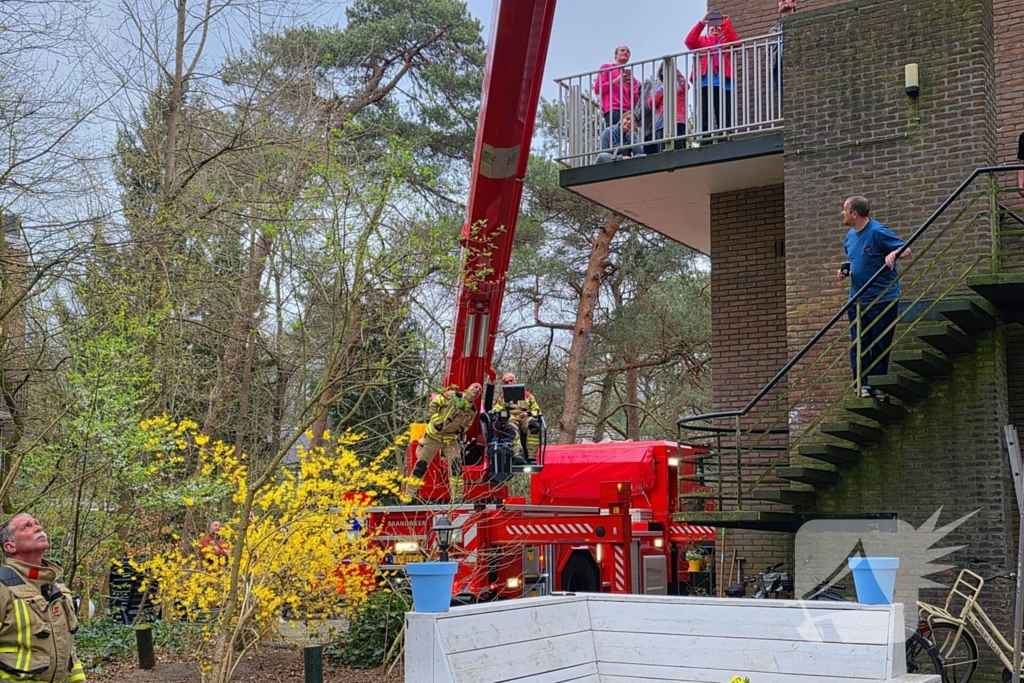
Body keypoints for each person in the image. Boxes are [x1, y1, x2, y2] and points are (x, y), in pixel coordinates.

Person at [838, 196, 911, 402]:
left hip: (882, 298)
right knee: (860, 343)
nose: (841, 213)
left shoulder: (878, 232)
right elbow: (856, 263)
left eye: (844, 209)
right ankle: (861, 384)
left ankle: (877, 386)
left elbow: (906, 249)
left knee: (879, 343)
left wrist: (894, 254)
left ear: (854, 213)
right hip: (858, 299)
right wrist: (846, 272)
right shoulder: (849, 237)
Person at [0, 514, 86, 683]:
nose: (38, 528)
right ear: (10, 546)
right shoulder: (3, 586)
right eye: (26, 526)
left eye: (37, 524)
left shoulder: (58, 586)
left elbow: (67, 649)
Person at [405, 382, 483, 501]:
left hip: (450, 440)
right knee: (420, 467)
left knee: (456, 467)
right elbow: (433, 405)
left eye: (480, 389)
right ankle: (408, 496)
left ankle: (457, 498)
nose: (477, 390)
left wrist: (461, 429)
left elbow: (469, 424)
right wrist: (437, 422)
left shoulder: (472, 410)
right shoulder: (451, 395)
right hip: (432, 437)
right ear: (467, 388)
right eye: (475, 387)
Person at [685, 12, 739, 137]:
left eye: (718, 26)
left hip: (723, 83)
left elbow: (736, 43)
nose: (715, 29)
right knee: (705, 113)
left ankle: (725, 138)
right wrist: (702, 23)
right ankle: (705, 139)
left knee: (724, 113)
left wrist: (726, 23)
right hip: (704, 82)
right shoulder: (702, 41)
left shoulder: (726, 40)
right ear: (708, 28)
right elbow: (689, 41)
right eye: (712, 27)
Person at [493, 373, 543, 464]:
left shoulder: (527, 396)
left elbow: (537, 411)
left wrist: (527, 413)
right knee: (510, 429)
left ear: (516, 380)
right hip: (510, 419)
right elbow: (496, 409)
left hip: (525, 418)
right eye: (506, 382)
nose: (509, 383)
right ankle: (518, 455)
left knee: (534, 425)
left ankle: (532, 458)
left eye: (511, 381)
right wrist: (499, 413)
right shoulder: (502, 397)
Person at [594, 45, 640, 128]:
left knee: (627, 139)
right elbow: (597, 89)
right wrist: (616, 81)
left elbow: (636, 101)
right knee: (614, 136)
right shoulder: (607, 68)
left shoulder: (632, 80)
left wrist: (630, 87)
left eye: (628, 51)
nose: (625, 52)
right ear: (615, 55)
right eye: (622, 50)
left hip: (628, 112)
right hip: (613, 108)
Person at [645, 66, 687, 154]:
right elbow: (651, 103)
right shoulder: (658, 88)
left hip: (678, 122)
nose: (668, 71)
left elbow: (686, 85)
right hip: (661, 124)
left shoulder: (679, 86)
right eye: (664, 70)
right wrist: (664, 88)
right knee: (664, 153)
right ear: (661, 73)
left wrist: (673, 67)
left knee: (680, 152)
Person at [770, 0, 797, 88]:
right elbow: (770, 53)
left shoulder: (801, 24)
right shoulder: (773, 30)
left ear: (794, 3)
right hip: (780, 69)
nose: (783, 1)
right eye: (780, 0)